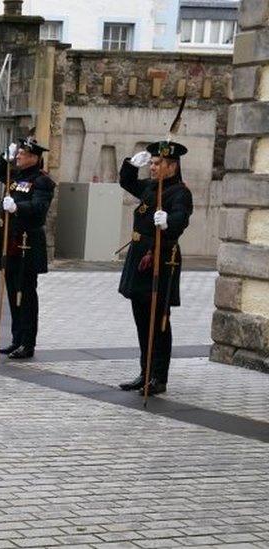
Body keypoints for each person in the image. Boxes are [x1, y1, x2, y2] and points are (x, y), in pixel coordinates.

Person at [117, 141, 193, 396]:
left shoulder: (179, 192)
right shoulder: (151, 187)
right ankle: (145, 372)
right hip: (141, 256)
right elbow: (128, 183)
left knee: (158, 320)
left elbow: (181, 219)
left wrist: (168, 222)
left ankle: (159, 377)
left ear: (172, 166)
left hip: (161, 258)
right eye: (150, 163)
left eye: (157, 163)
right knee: (141, 319)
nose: (152, 167)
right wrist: (130, 166)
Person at [0, 135, 56, 359]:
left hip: (27, 242)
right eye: (17, 153)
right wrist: (4, 156)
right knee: (11, 291)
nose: (18, 156)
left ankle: (27, 342)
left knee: (26, 294)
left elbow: (39, 207)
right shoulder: (15, 175)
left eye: (22, 154)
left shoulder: (42, 181)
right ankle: (16, 338)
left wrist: (17, 207)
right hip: (10, 240)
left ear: (34, 158)